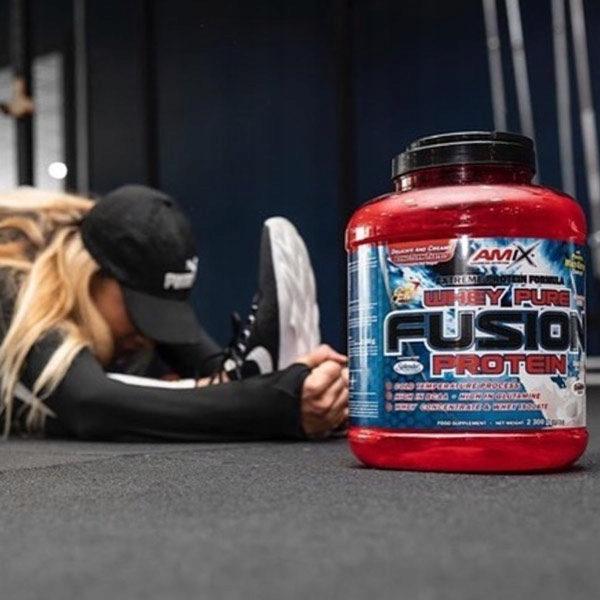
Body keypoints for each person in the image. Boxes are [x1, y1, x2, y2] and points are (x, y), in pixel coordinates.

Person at [0, 185, 348, 441]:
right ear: (90, 275)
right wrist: (278, 403)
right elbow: (89, 401)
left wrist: (311, 389)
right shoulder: (12, 281)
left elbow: (224, 376)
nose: (148, 336)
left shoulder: (118, 276)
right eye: (139, 310)